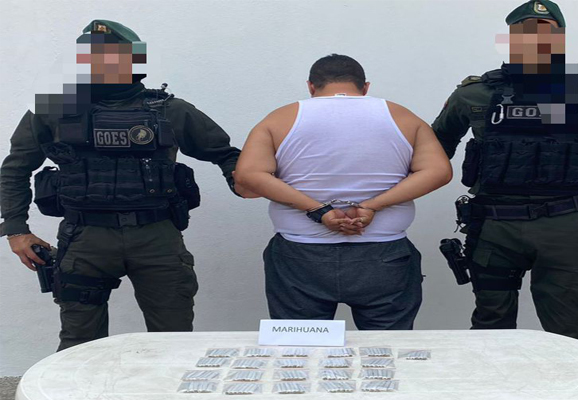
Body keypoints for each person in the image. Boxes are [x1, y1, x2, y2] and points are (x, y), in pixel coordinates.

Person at [0, 20, 242, 350]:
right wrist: (16, 230)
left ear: (134, 60)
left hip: (156, 238)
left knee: (173, 342)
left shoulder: (169, 110)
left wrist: (242, 180)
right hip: (84, 238)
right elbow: (15, 167)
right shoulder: (53, 109)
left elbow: (225, 154)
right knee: (79, 345)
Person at [433, 0, 578, 342]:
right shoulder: (475, 94)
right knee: (490, 329)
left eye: (546, 33)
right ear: (509, 40)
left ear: (561, 39)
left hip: (565, 227)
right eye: (524, 32)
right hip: (495, 226)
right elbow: (435, 148)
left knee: (570, 333)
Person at [234, 54, 452, 330]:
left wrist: (319, 210)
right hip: (385, 254)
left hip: (300, 255)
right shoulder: (403, 117)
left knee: (302, 346)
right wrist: (372, 205)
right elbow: (439, 171)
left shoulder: (279, 118)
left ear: (311, 86)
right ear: (365, 87)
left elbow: (248, 175)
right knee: (388, 346)